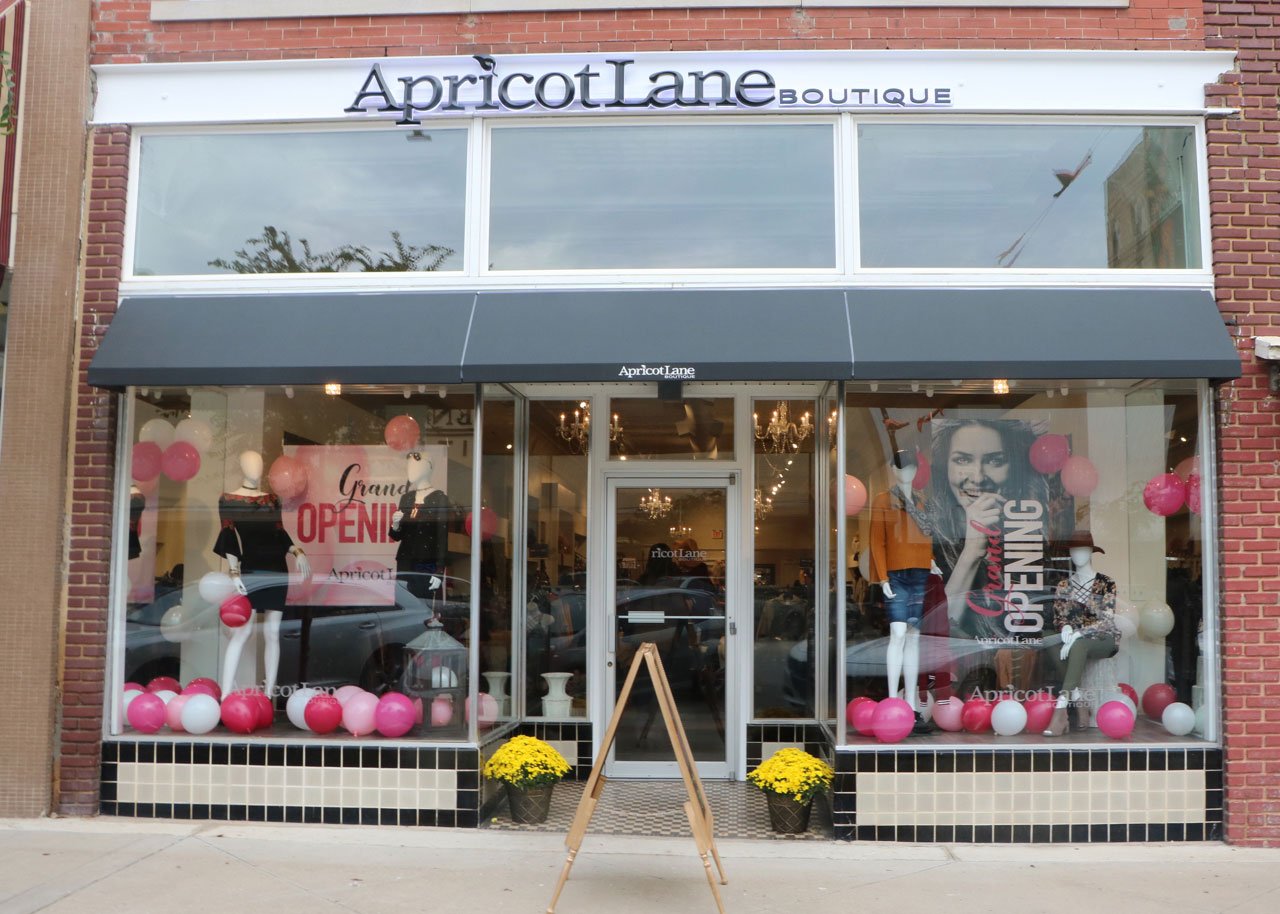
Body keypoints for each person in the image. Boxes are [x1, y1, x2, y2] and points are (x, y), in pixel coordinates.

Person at [928, 418, 1049, 642]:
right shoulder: (928, 536)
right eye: (962, 460)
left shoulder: (1028, 532)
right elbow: (936, 631)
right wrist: (972, 550)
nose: (978, 477)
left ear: (1014, 468)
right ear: (945, 467)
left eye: (995, 460)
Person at [215, 449, 311, 699]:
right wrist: (234, 572)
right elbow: (228, 535)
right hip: (251, 569)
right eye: (250, 464)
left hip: (277, 570)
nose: (255, 469)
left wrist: (297, 551)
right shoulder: (228, 498)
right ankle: (225, 693)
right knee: (243, 631)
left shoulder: (272, 499)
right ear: (242, 466)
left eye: (258, 464)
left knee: (272, 633)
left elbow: (280, 532)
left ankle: (268, 694)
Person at [869, 449, 934, 730]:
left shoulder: (922, 501)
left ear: (915, 471)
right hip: (896, 576)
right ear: (894, 471)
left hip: (920, 573)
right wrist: (882, 578)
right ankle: (892, 699)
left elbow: (926, 538)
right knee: (897, 633)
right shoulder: (884, 500)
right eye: (901, 468)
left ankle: (910, 703)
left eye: (910, 468)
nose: (906, 473)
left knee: (913, 636)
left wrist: (931, 561)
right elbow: (877, 541)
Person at [1043, 530, 1119, 736]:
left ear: (1091, 552)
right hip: (1075, 639)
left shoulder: (1106, 583)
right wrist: (1066, 628)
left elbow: (1106, 620)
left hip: (1101, 638)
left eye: (1083, 550)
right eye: (1074, 551)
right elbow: (1060, 617)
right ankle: (1079, 700)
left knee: (1079, 644)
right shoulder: (1064, 585)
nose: (1079, 555)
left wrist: (1078, 634)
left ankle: (1060, 711)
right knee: (1047, 636)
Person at [389, 450, 451, 600]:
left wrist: (439, 571)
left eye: (414, 466)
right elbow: (397, 536)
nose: (410, 470)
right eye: (409, 467)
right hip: (405, 561)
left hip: (426, 564)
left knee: (422, 603)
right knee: (404, 603)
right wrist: (396, 523)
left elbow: (442, 538)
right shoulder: (407, 498)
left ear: (428, 467)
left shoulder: (439, 499)